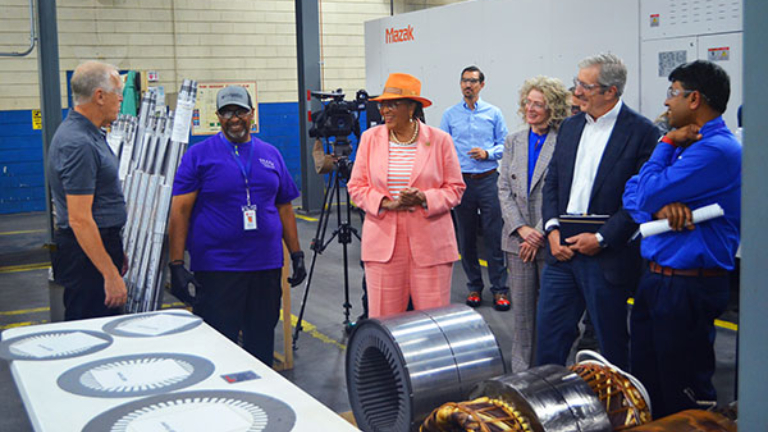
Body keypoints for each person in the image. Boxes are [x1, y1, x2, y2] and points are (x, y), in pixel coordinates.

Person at [622, 60, 741, 417]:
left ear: (694, 99)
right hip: (657, 279)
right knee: (646, 386)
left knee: (682, 395)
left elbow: (643, 191)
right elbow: (632, 192)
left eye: (672, 93)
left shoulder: (715, 149)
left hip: (689, 287)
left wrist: (665, 142)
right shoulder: (685, 144)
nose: (666, 103)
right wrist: (657, 212)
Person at [536, 53, 659, 370]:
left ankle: (618, 412)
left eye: (584, 86)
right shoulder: (570, 127)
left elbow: (641, 199)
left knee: (611, 345)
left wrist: (603, 238)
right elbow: (553, 183)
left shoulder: (642, 133)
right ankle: (542, 409)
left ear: (611, 92)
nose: (575, 92)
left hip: (607, 257)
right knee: (549, 340)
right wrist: (551, 230)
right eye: (576, 83)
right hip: (561, 253)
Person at [168, 85, 307, 366]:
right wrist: (176, 264)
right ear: (218, 116)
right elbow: (180, 211)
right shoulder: (199, 155)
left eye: (240, 111)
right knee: (220, 344)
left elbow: (284, 208)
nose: (234, 118)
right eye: (227, 112)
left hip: (265, 267)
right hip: (218, 268)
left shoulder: (271, 154)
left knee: (261, 341)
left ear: (252, 114)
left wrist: (297, 254)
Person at [347, 73, 465, 318]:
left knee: (434, 322)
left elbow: (455, 188)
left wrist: (423, 198)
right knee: (385, 321)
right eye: (382, 104)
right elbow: (356, 186)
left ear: (412, 107)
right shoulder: (370, 139)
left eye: (393, 104)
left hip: (431, 245)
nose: (385, 110)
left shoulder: (440, 140)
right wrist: (387, 203)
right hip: (383, 246)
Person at [498, 76, 569, 372]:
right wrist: (521, 230)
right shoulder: (513, 141)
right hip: (517, 242)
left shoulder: (564, 141)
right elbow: (503, 188)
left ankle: (550, 375)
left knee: (553, 318)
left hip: (550, 240)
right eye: (528, 102)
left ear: (552, 108)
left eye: (538, 104)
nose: (531, 108)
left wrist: (538, 233)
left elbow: (563, 191)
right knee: (523, 320)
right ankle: (521, 377)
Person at [47, 61, 128, 321]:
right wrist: (109, 273)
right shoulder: (78, 143)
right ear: (100, 96)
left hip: (97, 248)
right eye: (118, 93)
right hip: (85, 261)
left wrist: (113, 250)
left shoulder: (90, 135)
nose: (121, 100)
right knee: (91, 330)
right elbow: (79, 219)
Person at [440, 66, 510, 311]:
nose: (468, 85)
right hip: (462, 183)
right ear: (460, 84)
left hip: (489, 180)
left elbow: (505, 145)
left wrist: (488, 153)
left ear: (482, 85)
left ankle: (500, 289)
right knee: (466, 238)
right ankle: (474, 287)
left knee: (494, 237)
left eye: (472, 81)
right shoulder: (449, 116)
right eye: (464, 81)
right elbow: (443, 149)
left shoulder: (494, 113)